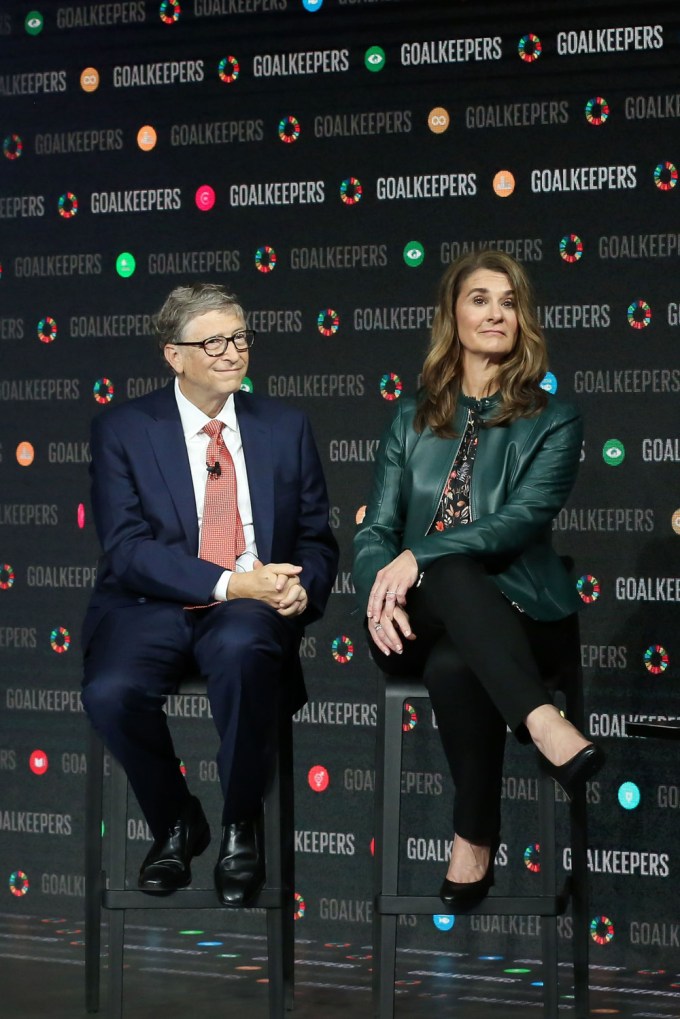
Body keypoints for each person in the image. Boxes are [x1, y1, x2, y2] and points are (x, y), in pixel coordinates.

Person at [353, 250, 604, 910]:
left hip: (522, 617)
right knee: (443, 577)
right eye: (480, 298)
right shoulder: (409, 419)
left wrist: (421, 555)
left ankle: (472, 841)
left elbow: (519, 522)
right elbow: (375, 532)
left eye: (509, 301)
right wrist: (378, 586)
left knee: (455, 662)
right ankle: (545, 724)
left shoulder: (554, 419)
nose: (496, 312)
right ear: (453, 315)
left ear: (523, 320)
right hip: (409, 616)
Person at [82, 283, 338, 905]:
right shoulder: (124, 427)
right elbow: (127, 550)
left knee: (247, 653)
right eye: (213, 341)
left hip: (251, 607)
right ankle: (175, 820)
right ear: (174, 355)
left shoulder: (284, 426)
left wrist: (303, 588)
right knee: (110, 692)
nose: (232, 352)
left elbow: (316, 540)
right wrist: (227, 581)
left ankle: (238, 823)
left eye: (240, 336)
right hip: (152, 603)